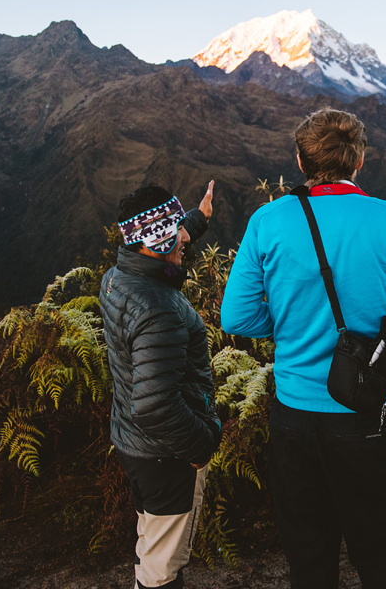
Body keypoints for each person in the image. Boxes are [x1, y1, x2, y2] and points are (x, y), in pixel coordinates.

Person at [220, 108, 386, 589]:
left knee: (310, 558)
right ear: (359, 160)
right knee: (384, 557)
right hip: (367, 414)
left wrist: (291, 327)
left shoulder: (267, 220)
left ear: (299, 161)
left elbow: (234, 317)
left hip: (294, 417)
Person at [99, 181, 222, 589]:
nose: (184, 237)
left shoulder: (120, 277)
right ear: (155, 239)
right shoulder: (159, 308)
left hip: (135, 444)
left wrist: (199, 219)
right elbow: (154, 405)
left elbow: (163, 241)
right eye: (178, 230)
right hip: (167, 455)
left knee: (151, 540)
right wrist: (201, 446)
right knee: (162, 569)